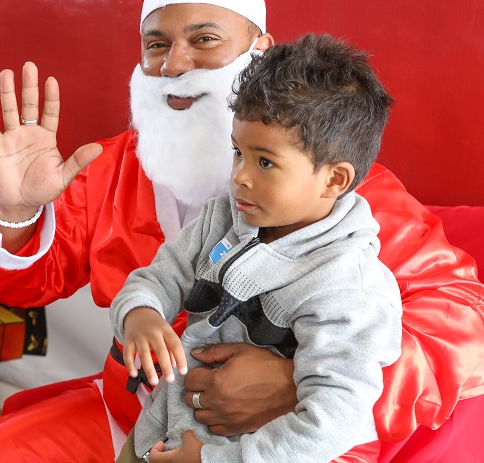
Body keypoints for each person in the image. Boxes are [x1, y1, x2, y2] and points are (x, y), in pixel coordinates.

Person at [0, 0, 484, 462]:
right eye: (156, 44)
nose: (174, 66)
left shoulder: (341, 198)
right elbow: (15, 285)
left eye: (204, 40)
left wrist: (296, 381)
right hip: (137, 415)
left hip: (276, 441)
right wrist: (16, 207)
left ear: (259, 50)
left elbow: (464, 324)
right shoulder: (111, 166)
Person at [113, 34, 402, 462]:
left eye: (265, 162)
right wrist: (140, 312)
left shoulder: (346, 287)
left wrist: (212, 460)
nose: (239, 177)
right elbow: (157, 278)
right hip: (159, 432)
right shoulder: (223, 217)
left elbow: (331, 422)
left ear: (334, 180)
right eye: (237, 153)